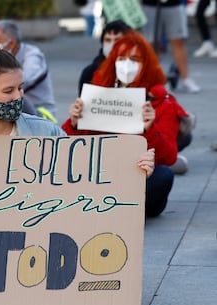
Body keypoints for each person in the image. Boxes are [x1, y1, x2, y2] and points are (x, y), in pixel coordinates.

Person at [0, 33, 155, 179]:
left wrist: (133, 166)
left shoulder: (45, 132)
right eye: (8, 91)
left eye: (20, 88)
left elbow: (84, 170)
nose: (18, 97)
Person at [61, 31, 182, 217]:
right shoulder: (99, 95)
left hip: (140, 175)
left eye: (135, 59)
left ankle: (120, 208)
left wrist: (150, 129)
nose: (127, 65)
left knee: (163, 175)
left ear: (147, 64)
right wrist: (75, 123)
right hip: (103, 174)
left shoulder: (162, 103)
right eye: (122, 58)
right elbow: (65, 146)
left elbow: (169, 156)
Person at [0, 19, 58, 122]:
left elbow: (24, 81)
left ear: (11, 43)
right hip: (14, 109)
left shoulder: (32, 56)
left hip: (39, 114)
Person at [141, 0, 201, 93]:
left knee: (178, 40)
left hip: (173, 4)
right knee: (152, 43)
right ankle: (155, 80)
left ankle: (186, 79)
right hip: (150, 5)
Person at [78, 20, 131, 96]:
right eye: (108, 40)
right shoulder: (90, 73)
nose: (112, 45)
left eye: (117, 40)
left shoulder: (140, 72)